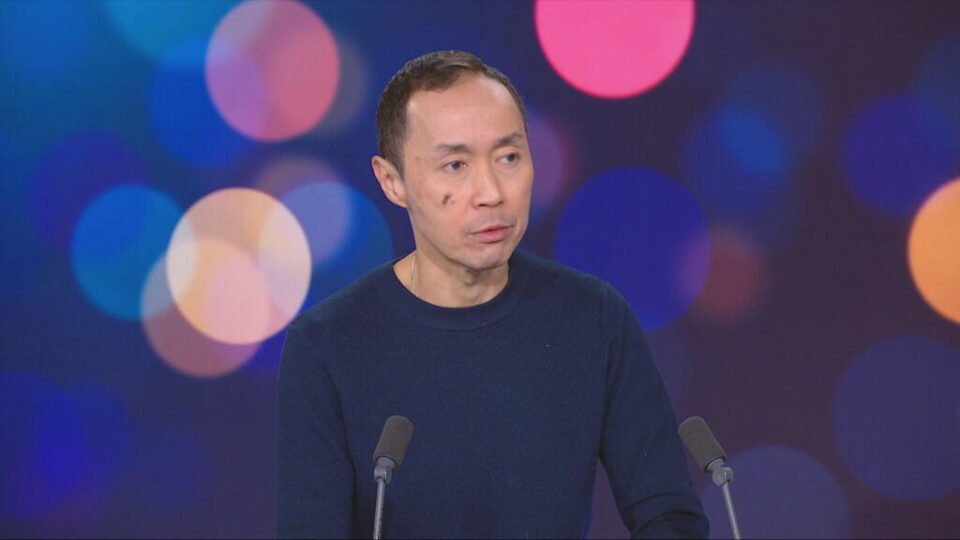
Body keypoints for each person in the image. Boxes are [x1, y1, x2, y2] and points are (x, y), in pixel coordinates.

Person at [277, 50, 708, 539]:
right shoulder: (328, 345)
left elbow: (668, 515)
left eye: (509, 157)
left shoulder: (593, 318)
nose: (491, 192)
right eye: (455, 165)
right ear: (392, 181)